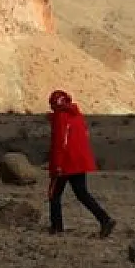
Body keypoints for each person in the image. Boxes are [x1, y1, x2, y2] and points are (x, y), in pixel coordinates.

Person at [47, 89, 115, 237]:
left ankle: (56, 227)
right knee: (82, 193)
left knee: (54, 194)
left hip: (66, 163)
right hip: (79, 162)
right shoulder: (76, 115)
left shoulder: (61, 116)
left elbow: (60, 143)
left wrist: (57, 165)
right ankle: (105, 219)